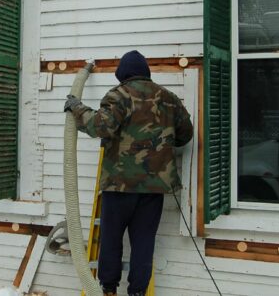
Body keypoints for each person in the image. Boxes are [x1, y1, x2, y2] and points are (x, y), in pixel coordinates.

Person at [64, 50, 194, 296]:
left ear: (122, 75)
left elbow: (101, 126)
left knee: (111, 240)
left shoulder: (119, 95)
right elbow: (185, 134)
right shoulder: (168, 98)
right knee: (144, 242)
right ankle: (137, 292)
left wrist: (77, 108)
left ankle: (109, 290)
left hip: (119, 186)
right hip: (154, 188)